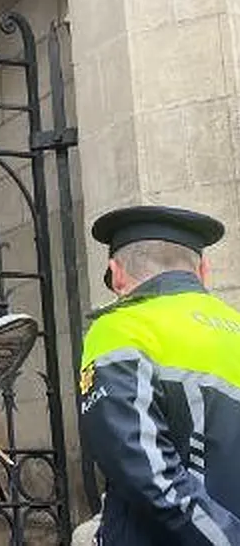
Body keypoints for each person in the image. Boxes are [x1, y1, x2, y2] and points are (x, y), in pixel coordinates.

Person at [80, 205, 240, 545]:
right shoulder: (235, 327)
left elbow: (147, 472)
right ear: (204, 270)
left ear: (116, 272)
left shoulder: (119, 329)